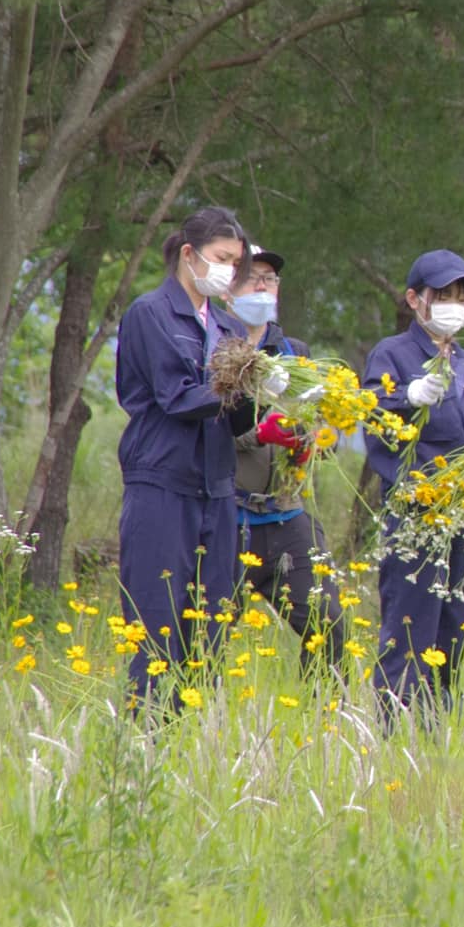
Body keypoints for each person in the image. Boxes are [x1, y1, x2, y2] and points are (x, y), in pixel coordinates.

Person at [114, 205, 257, 707]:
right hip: (162, 482)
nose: (229, 271)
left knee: (210, 625)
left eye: (236, 263)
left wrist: (261, 393)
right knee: (157, 624)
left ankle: (194, 736)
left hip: (216, 488)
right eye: (222, 258)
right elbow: (176, 396)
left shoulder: (229, 327)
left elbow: (237, 422)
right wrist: (238, 382)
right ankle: (146, 737)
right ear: (191, 254)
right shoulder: (150, 314)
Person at [362, 250, 464, 719]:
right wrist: (406, 397)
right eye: (442, 295)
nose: (454, 305)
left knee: (454, 630)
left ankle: (435, 731)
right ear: (414, 299)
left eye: (461, 296)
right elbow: (371, 415)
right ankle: (391, 733)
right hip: (416, 518)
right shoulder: (392, 353)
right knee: (408, 629)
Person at [227, 248, 347, 677]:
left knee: (328, 623)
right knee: (206, 634)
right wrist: (257, 434)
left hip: (284, 514)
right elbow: (201, 431)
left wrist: (314, 441)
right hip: (226, 516)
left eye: (271, 279)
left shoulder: (295, 352)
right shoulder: (214, 347)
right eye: (252, 277)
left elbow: (320, 429)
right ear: (227, 288)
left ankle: (325, 725)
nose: (263, 286)